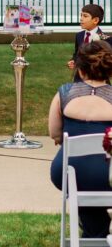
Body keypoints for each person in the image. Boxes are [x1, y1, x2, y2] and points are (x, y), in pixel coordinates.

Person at [49, 39, 112, 239]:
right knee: (97, 179)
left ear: (80, 70)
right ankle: (97, 234)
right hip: (109, 175)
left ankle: (94, 234)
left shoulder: (64, 93)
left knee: (82, 182)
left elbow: (55, 134)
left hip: (69, 173)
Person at [67, 4, 112, 81]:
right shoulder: (79, 36)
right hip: (79, 79)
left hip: (98, 79)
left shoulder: (105, 39)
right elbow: (77, 53)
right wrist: (73, 61)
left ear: (95, 20)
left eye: (85, 16)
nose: (81, 19)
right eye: (81, 15)